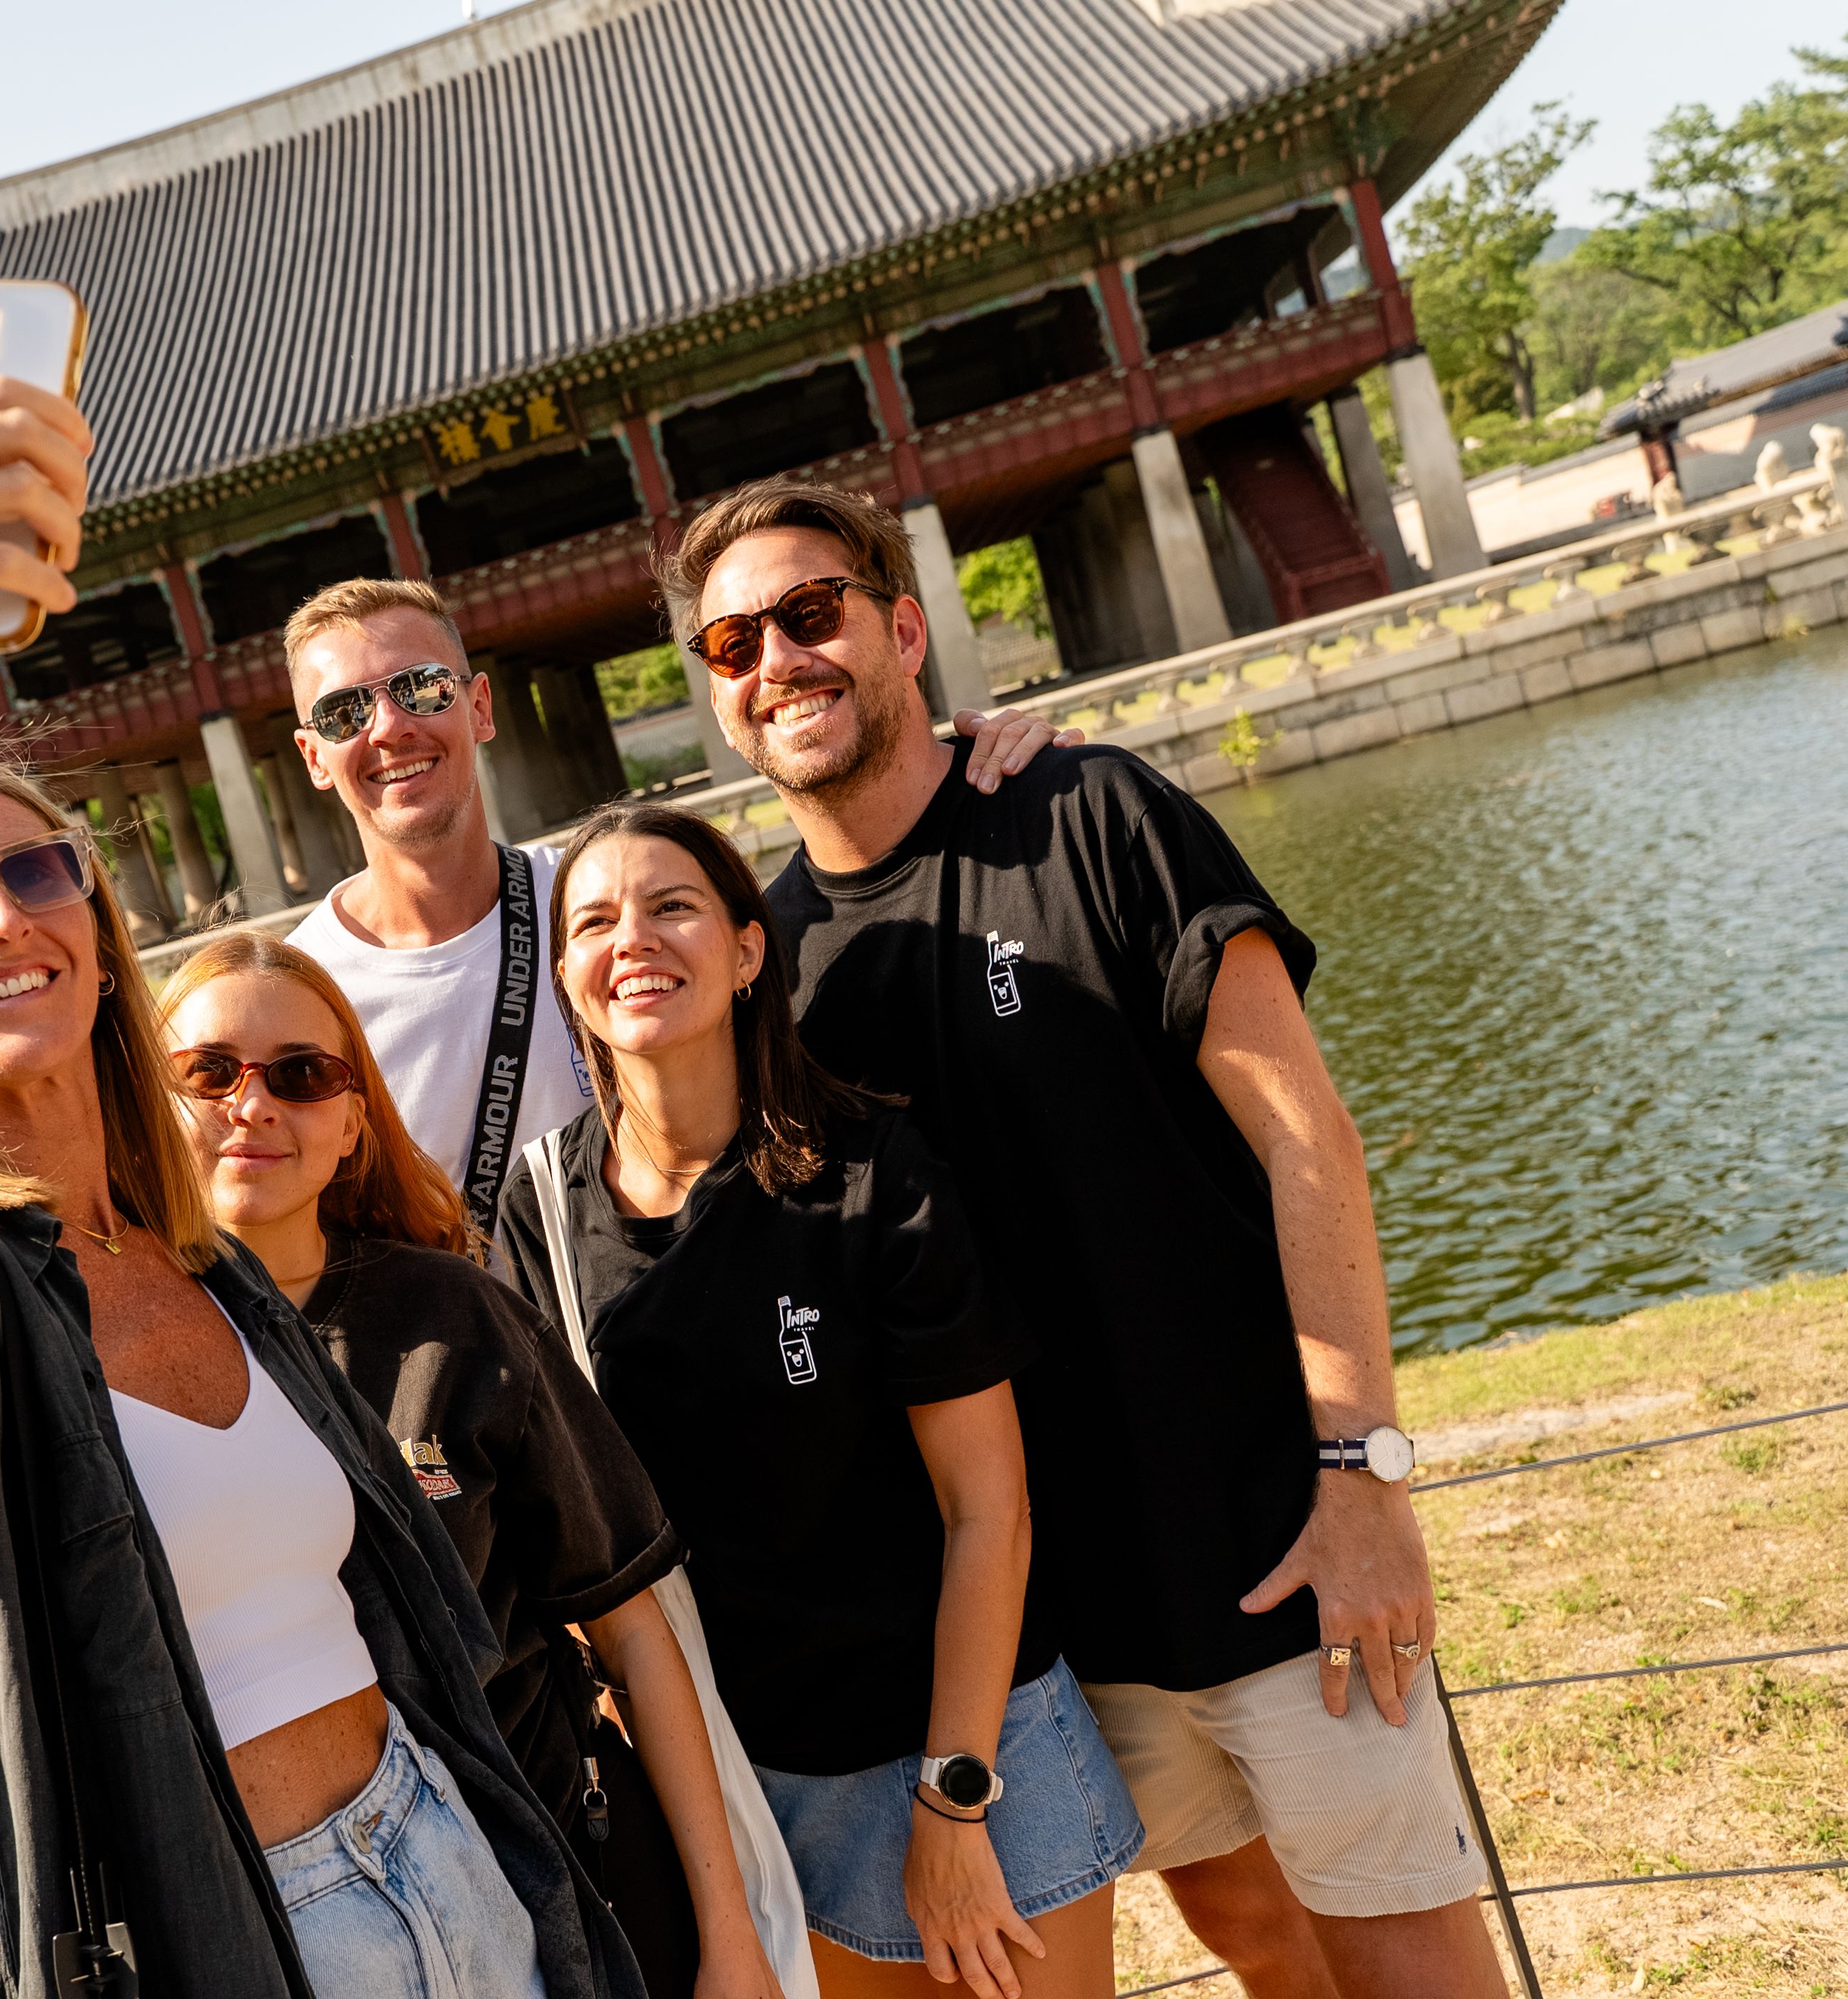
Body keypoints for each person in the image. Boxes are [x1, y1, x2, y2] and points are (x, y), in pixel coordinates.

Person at [0, 320, 644, 1999]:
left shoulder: (197, 1249)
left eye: (33, 872)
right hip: (234, 1935)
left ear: (93, 914)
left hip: (441, 1841)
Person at [668, 478, 1499, 1999]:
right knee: (1244, 1931)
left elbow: (1302, 1136)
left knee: (1406, 1962)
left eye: (808, 614)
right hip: (1053, 1619)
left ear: (901, 629)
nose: (774, 659)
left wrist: (1358, 1471)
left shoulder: (1088, 813)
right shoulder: (766, 970)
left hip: (1271, 1530)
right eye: (731, 642)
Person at [497, 802, 1139, 1999]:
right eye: (593, 921)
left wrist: (952, 1798)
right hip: (752, 1784)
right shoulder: (538, 1215)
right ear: (572, 980)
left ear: (748, 950)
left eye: (672, 905)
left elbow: (987, 1508)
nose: (633, 938)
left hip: (969, 1746)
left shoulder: (870, 1170)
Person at [160, 930, 792, 1999]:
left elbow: (631, 1629)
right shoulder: (110, 1363)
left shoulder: (454, 1315)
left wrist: (732, 1937)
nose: (253, 1104)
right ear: (147, 1102)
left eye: (303, 1075)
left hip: (567, 1870)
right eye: (208, 1072)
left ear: (354, 1121)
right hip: (303, 1918)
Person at [277, 579, 1076, 1237]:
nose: (389, 728)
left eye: (420, 688)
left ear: (480, 707)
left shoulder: (611, 905)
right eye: (345, 713)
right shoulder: (297, 1004)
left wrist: (993, 781)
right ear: (313, 755)